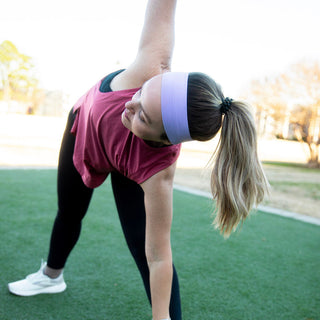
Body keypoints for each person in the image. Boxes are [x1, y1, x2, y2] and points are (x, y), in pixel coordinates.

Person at [7, 0, 269, 319]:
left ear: (162, 140)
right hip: (83, 131)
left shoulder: (156, 172)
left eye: (143, 116)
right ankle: (51, 276)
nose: (130, 106)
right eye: (143, 92)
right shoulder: (152, 62)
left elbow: (159, 258)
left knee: (141, 247)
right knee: (69, 212)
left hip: (127, 163)